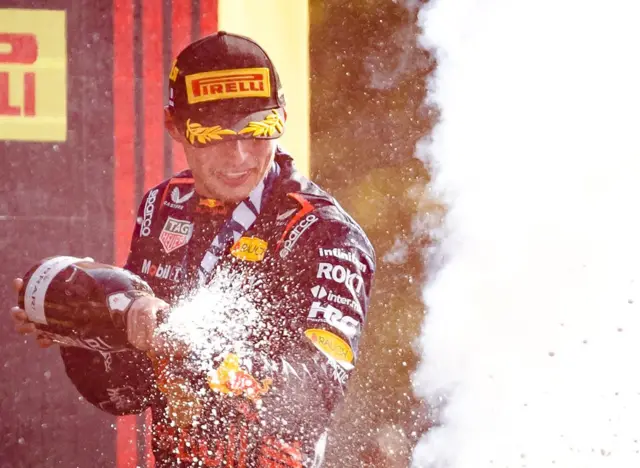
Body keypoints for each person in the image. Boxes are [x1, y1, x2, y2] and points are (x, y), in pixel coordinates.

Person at [10, 32, 375, 467]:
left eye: (259, 129)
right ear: (175, 128)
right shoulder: (163, 205)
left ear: (282, 116)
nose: (238, 154)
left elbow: (309, 403)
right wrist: (86, 332)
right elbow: (128, 392)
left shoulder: (326, 235)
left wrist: (197, 346)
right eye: (212, 133)